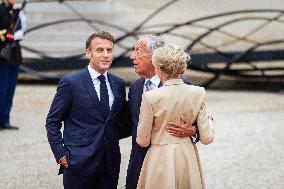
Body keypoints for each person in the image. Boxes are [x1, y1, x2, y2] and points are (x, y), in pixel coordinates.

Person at [45, 31, 129, 189]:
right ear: (88, 53)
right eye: (99, 50)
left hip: (109, 164)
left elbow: (123, 121)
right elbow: (52, 121)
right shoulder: (71, 83)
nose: (105, 55)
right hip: (78, 163)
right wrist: (60, 154)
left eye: (109, 50)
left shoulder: (118, 83)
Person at [136, 44, 215, 189]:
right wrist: (209, 121)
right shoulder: (198, 93)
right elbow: (207, 138)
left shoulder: (150, 97)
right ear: (182, 67)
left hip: (159, 158)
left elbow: (142, 141)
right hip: (187, 157)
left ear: (158, 69)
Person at [125, 35, 198, 189]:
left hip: (169, 169)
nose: (132, 56)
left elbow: (200, 124)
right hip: (138, 168)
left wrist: (193, 130)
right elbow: (126, 125)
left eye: (138, 52)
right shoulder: (135, 88)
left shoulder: (183, 86)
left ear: (155, 57)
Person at [0, 0, 26, 130]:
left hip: (14, 56)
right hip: (2, 55)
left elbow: (22, 31)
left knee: (10, 90)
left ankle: (5, 120)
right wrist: (4, 35)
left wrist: (13, 36)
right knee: (1, 89)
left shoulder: (18, 12)